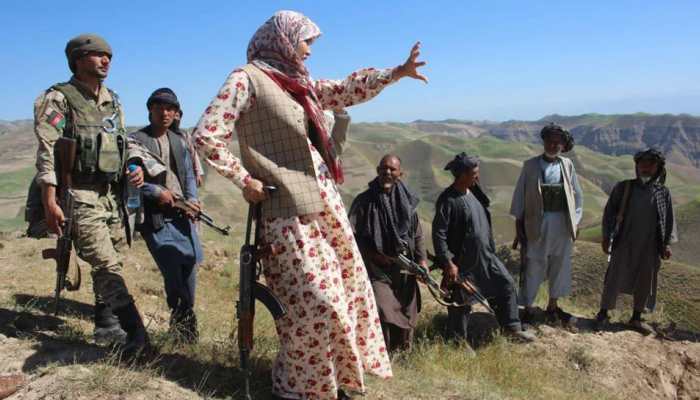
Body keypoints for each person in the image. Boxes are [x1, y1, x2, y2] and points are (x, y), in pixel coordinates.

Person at [193, 10, 427, 400]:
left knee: (348, 292)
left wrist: (395, 73)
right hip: (284, 210)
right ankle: (296, 389)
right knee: (317, 303)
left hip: (324, 204)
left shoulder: (296, 84)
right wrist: (244, 179)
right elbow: (206, 135)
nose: (309, 51)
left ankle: (331, 384)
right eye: (306, 42)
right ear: (283, 39)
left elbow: (343, 90)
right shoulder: (245, 79)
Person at [33, 34, 148, 355]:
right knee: (105, 263)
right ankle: (136, 333)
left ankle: (106, 324)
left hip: (111, 194)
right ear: (78, 60)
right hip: (78, 193)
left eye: (108, 55)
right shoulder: (58, 99)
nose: (105, 60)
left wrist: (134, 164)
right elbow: (47, 150)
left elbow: (122, 141)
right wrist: (50, 200)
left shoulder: (113, 100)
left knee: (116, 259)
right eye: (96, 55)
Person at [433, 153, 536, 343]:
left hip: (487, 257)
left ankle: (512, 328)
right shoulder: (448, 200)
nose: (477, 177)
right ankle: (458, 341)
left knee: (505, 285)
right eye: (474, 173)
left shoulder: (473, 193)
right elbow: (439, 234)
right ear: (462, 175)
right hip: (463, 263)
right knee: (460, 302)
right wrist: (448, 263)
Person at [129, 88, 204, 343]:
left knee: (190, 264)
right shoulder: (135, 141)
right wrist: (155, 192)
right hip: (155, 218)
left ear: (176, 113)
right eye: (159, 107)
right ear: (150, 109)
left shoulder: (180, 141)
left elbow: (189, 175)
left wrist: (192, 200)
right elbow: (129, 180)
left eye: (170, 108)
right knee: (172, 264)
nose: (165, 112)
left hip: (182, 216)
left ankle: (183, 325)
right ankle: (183, 321)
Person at [595, 148, 677, 334]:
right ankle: (603, 314)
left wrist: (667, 243)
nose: (646, 167)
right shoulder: (624, 188)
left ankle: (636, 317)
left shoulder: (662, 192)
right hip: (624, 240)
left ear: (658, 168)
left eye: (651, 164)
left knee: (645, 280)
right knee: (614, 277)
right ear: (637, 166)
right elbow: (609, 213)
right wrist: (606, 236)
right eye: (642, 163)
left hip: (650, 245)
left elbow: (668, 219)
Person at [349, 154, 425, 353]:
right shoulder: (364, 201)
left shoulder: (408, 202)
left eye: (392, 169)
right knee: (383, 308)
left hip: (404, 269)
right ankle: (382, 354)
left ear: (400, 173)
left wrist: (422, 261)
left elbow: (416, 234)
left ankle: (403, 354)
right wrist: (373, 255)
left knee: (407, 310)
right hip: (377, 269)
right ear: (377, 170)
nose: (387, 173)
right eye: (384, 169)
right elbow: (353, 237)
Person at [509, 123, 583, 326]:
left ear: (562, 145)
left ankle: (553, 306)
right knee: (534, 265)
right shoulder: (530, 165)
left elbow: (577, 196)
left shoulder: (567, 165)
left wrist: (575, 223)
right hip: (536, 225)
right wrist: (519, 227)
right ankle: (527, 307)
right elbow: (520, 198)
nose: (552, 145)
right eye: (549, 141)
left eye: (556, 142)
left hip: (562, 225)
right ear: (544, 142)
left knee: (560, 264)